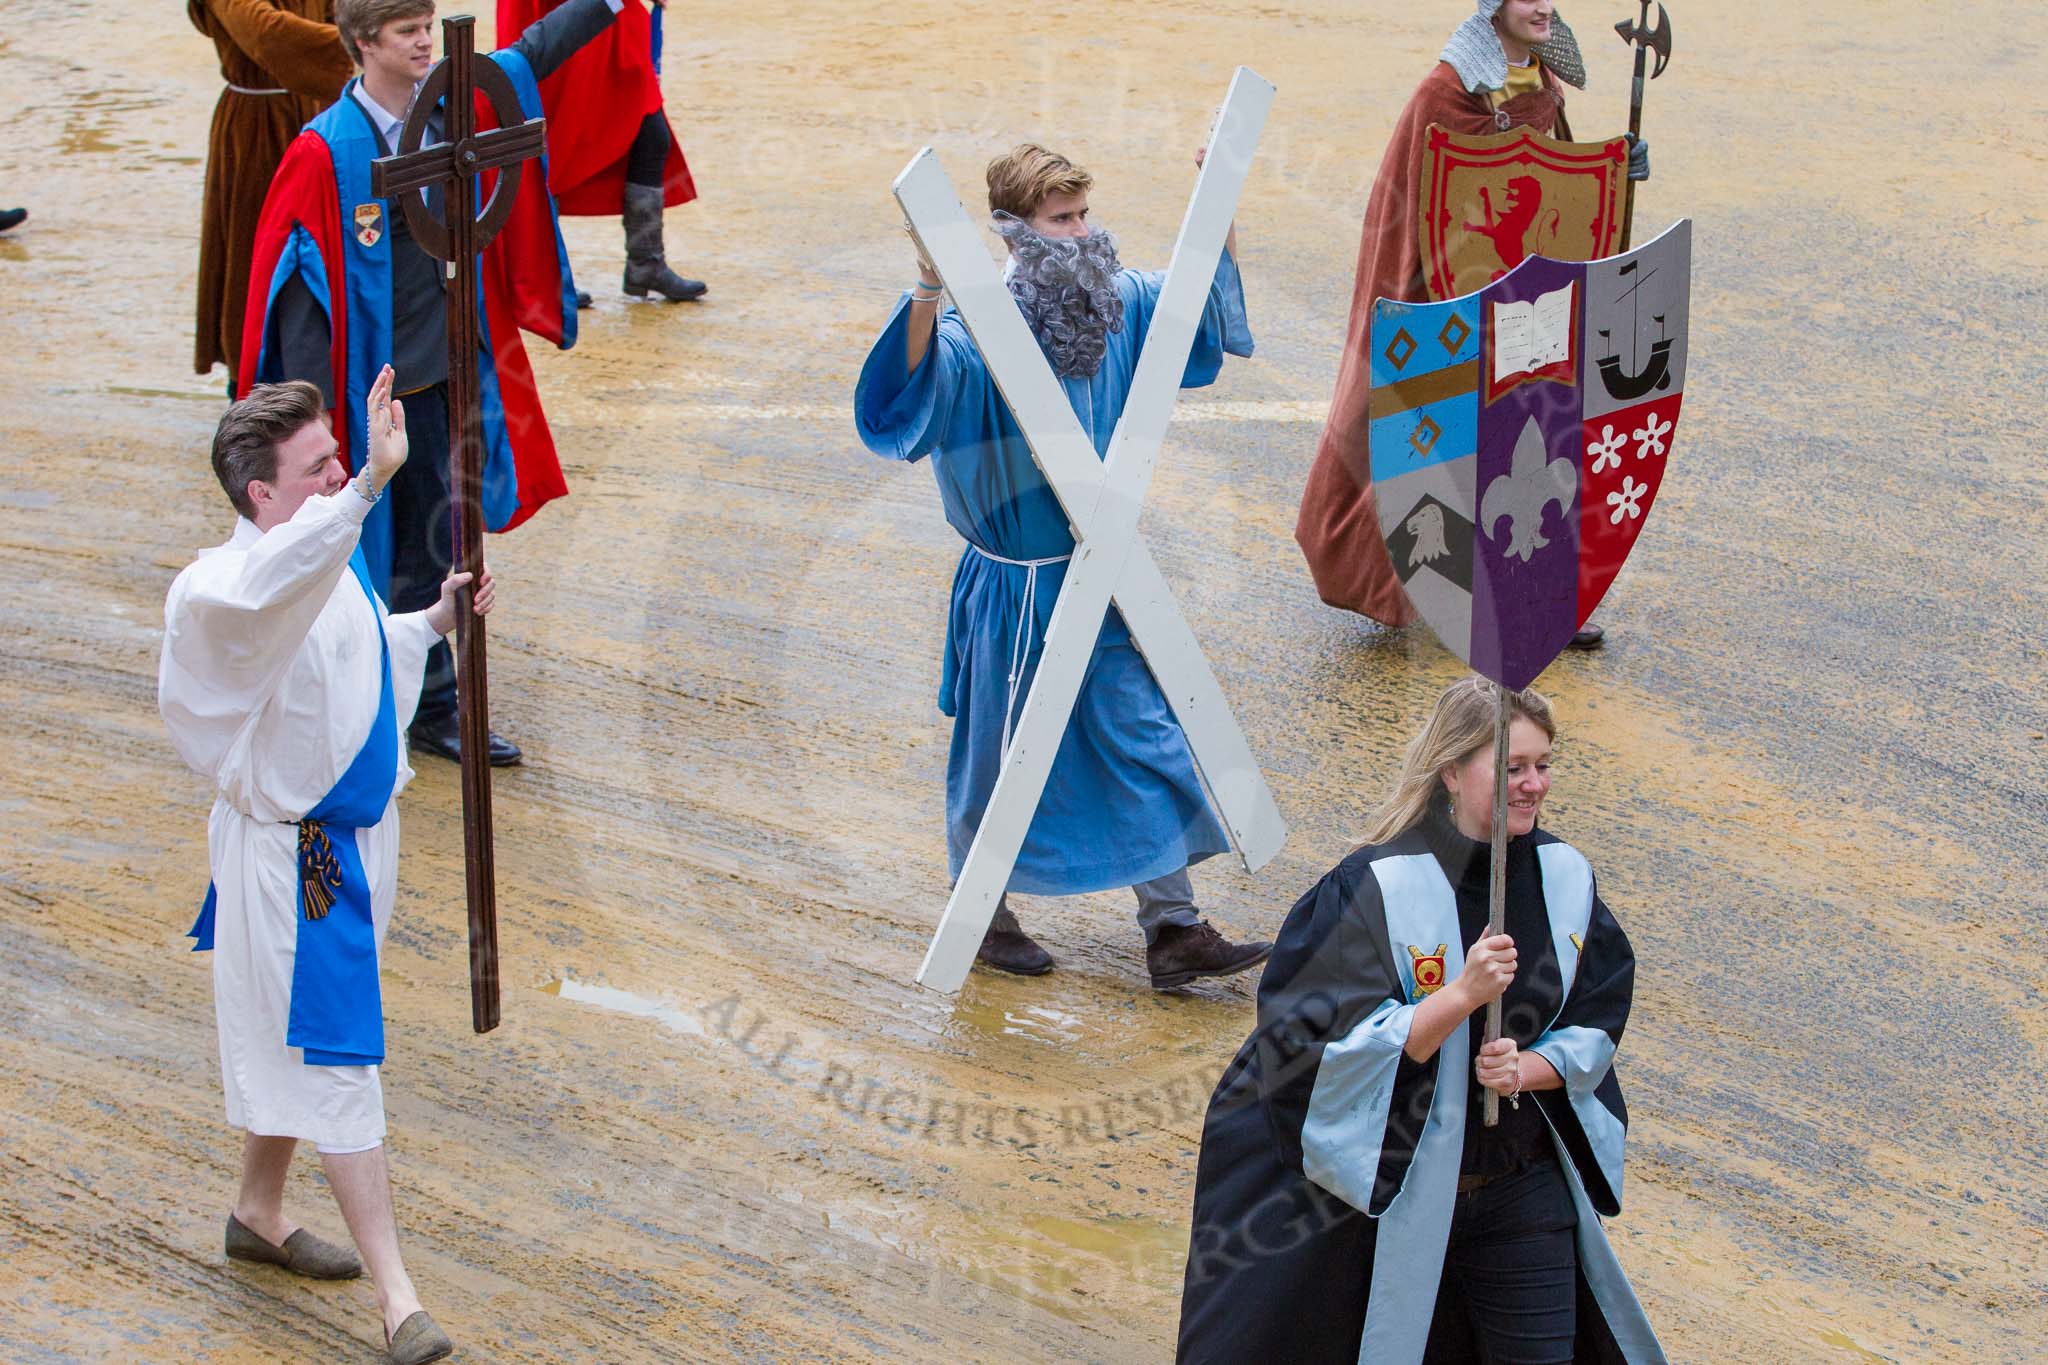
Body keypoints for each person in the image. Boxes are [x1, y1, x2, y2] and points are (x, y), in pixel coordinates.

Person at [854, 143, 1272, 990]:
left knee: (1143, 731)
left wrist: (1217, 209)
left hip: (1106, 573)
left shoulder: (1117, 303)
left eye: (1084, 214)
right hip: (1017, 583)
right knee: (1000, 754)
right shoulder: (979, 329)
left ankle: (1174, 928)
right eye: (1059, 220)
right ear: (1015, 231)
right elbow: (912, 393)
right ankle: (984, 910)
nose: (1081, 233)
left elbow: (1193, 311)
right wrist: (931, 288)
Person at [1176, 677, 1663, 1363]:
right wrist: (1458, 997)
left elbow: (1599, 1008)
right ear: (1452, 772)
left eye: (1542, 765)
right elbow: (1310, 1050)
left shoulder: (1564, 880)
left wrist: (1532, 1067)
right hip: (1390, 1205)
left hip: (1522, 1189)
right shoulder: (1374, 886)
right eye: (1512, 767)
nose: (1534, 785)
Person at [160, 371, 494, 1365]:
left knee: (298, 1046)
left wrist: (433, 622)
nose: (339, 476)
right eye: (316, 471)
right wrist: (365, 493)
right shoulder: (220, 591)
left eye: (338, 461)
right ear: (259, 496)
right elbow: (269, 604)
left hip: (353, 847)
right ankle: (400, 1303)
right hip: (298, 868)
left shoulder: (317, 564)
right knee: (339, 1056)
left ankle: (257, 1211)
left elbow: (348, 654)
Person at [241, 0, 625, 766]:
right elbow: (296, 286)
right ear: (362, 44)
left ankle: (443, 699)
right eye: (407, 31)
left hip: (455, 368)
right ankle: (401, 704)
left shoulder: (453, 110)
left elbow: (533, 51)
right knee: (394, 554)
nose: (425, 41)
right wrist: (322, 424)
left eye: (427, 26)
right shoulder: (327, 153)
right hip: (380, 394)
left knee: (456, 538)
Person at [1295, 0, 1649, 650]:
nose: (1542, 5)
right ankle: (1443, 592)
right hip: (1456, 295)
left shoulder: (1541, 80)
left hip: (1526, 301)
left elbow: (1556, 185)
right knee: (1448, 447)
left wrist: (1613, 174)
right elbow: (1426, 208)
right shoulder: (1448, 91)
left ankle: (1542, 603)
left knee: (1537, 439)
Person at [187, 0, 353, 383]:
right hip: (256, 131)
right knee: (254, 254)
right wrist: (365, 42)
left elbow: (341, 10)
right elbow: (266, 35)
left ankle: (317, 372)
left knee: (324, 250)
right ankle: (248, 381)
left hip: (320, 117)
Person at [497, 0, 704, 303]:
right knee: (550, 146)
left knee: (652, 135)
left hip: (615, 19)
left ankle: (646, 264)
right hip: (554, 19)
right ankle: (545, 278)